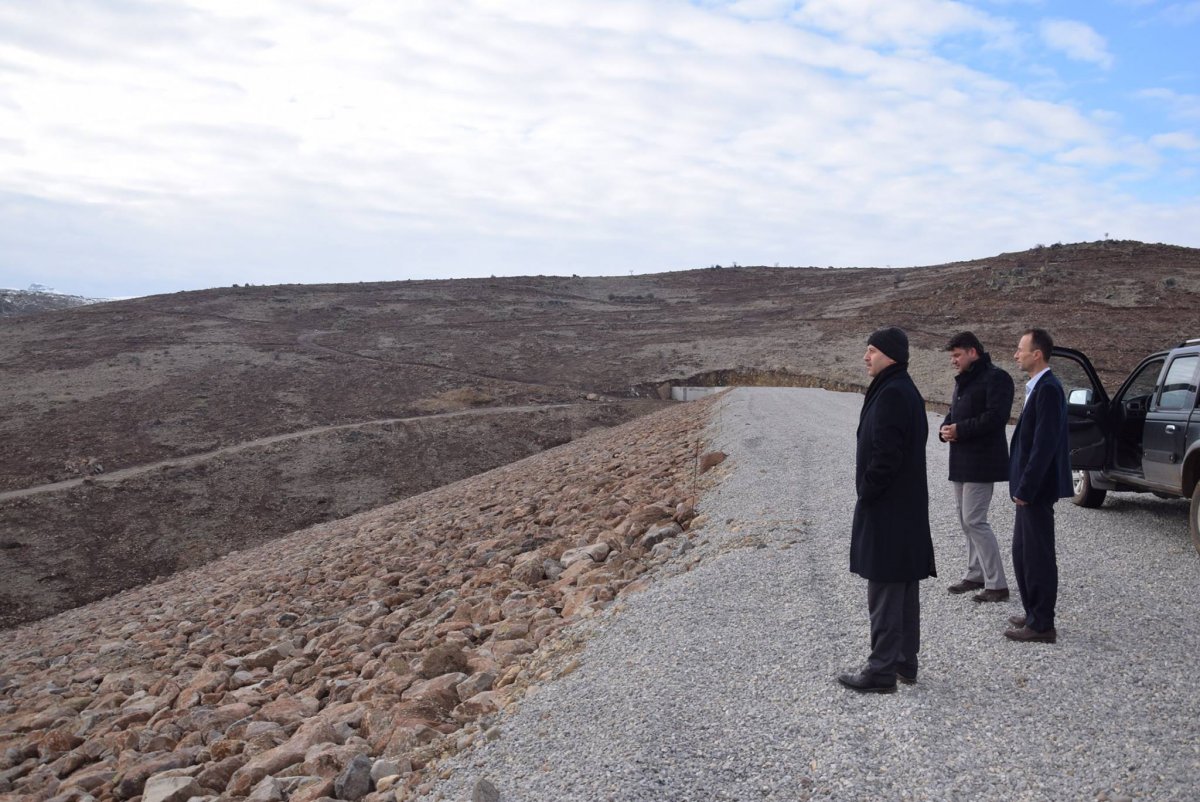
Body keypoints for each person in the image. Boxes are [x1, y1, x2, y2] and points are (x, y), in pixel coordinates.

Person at [839, 326, 936, 693]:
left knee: (884, 587)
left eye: (872, 351)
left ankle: (881, 671)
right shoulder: (901, 388)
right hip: (904, 508)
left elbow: (886, 455)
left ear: (890, 354)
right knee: (903, 585)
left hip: (889, 509)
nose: (866, 357)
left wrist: (867, 492)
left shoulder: (894, 392)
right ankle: (904, 663)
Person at [1005, 328, 1072, 643]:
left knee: (1038, 556)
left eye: (1020, 349)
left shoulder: (1048, 389)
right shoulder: (1037, 387)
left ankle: (1043, 625)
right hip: (1027, 490)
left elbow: (1044, 445)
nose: (1016, 355)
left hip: (1036, 491)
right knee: (1022, 552)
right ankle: (1033, 612)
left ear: (1037, 354)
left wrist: (1027, 488)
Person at [938, 332, 1014, 603]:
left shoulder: (997, 378)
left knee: (974, 520)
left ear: (973, 352)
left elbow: (996, 417)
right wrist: (945, 428)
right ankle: (975, 574)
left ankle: (997, 584)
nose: (953, 360)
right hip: (960, 461)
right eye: (952, 356)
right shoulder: (964, 380)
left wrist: (960, 429)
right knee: (964, 520)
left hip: (983, 462)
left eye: (957, 355)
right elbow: (954, 413)